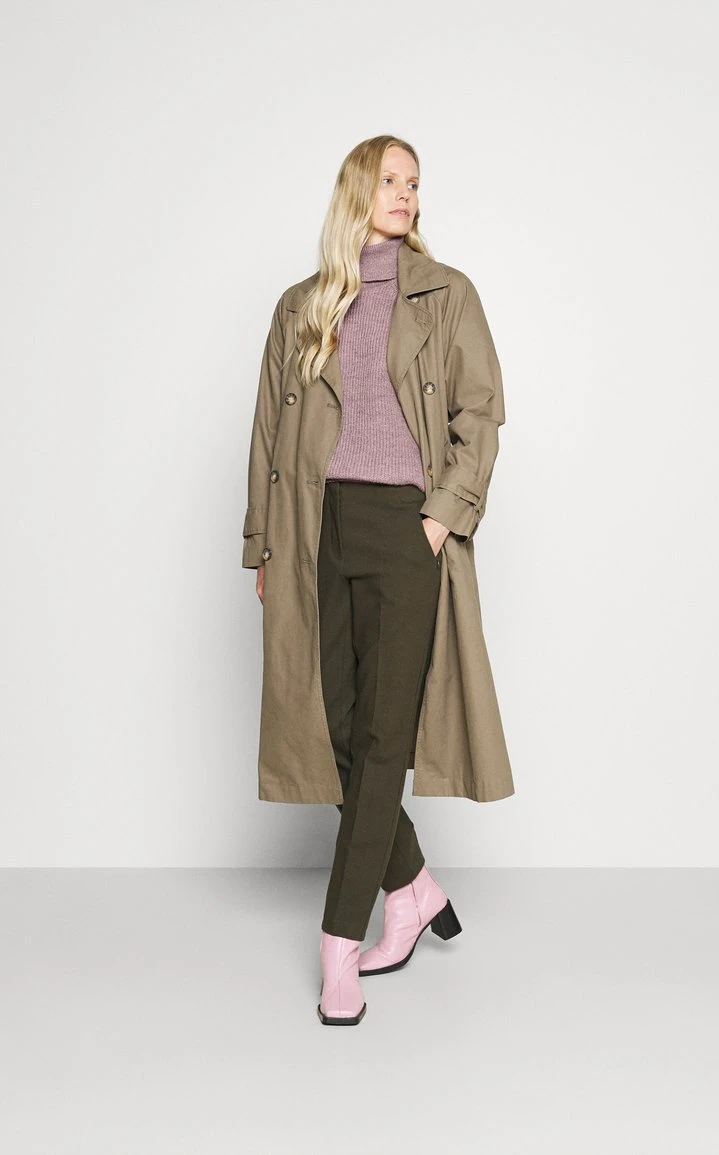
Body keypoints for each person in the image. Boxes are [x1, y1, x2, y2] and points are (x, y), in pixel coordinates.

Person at [242, 134, 514, 1026]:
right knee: (334, 727)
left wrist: (439, 517)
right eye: (391, 180)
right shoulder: (302, 306)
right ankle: (413, 890)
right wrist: (265, 546)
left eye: (415, 183)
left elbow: (481, 412)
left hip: (406, 530)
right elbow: (267, 433)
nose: (407, 194)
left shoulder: (446, 293)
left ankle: (337, 947)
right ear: (357, 190)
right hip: (319, 528)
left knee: (383, 736)